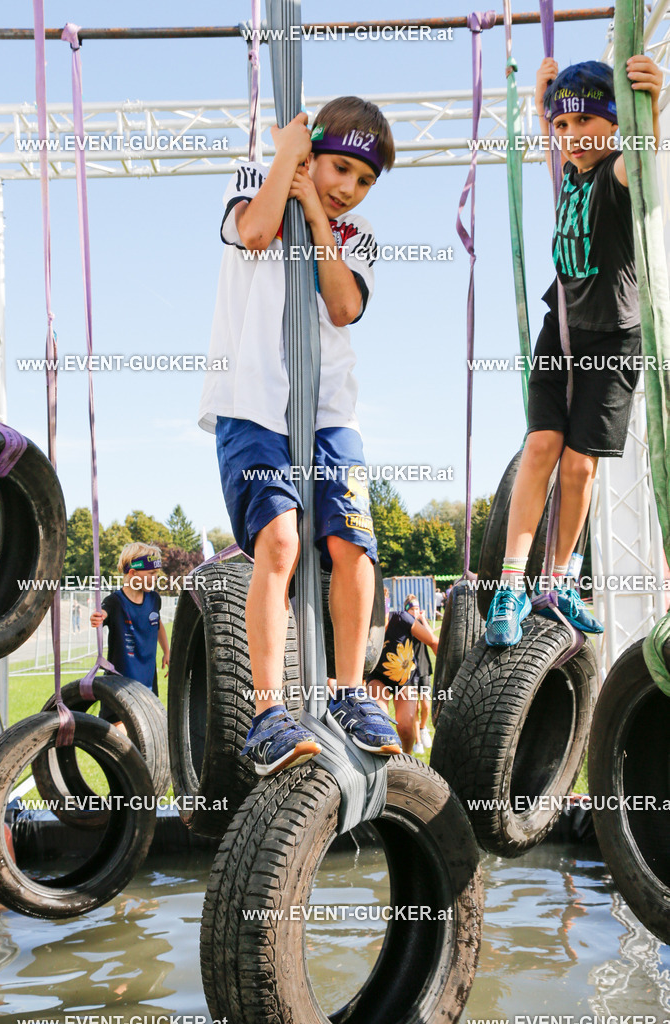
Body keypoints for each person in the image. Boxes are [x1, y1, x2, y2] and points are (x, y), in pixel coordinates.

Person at [198, 97, 402, 775]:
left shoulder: (357, 231)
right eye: (338, 167)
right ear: (311, 152)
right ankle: (266, 714)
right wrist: (286, 159)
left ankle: (348, 692)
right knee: (279, 541)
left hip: (329, 413)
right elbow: (255, 235)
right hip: (250, 404)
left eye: (363, 179)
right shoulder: (250, 183)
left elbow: (343, 307)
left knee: (352, 542)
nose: (348, 187)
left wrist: (316, 213)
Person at [485, 54, 663, 647]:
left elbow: (644, 163)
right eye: (562, 128)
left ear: (614, 123)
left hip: (613, 336)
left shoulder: (614, 173)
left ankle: (560, 581)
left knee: (580, 464)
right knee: (541, 446)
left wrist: (650, 110)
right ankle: (513, 582)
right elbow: (555, 133)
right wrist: (544, 104)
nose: (572, 138)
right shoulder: (571, 172)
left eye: (585, 123)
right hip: (560, 328)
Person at [90, 543, 170, 723]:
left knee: (148, 731)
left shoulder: (154, 599)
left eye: (156, 574)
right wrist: (98, 617)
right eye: (151, 574)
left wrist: (167, 651)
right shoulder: (115, 602)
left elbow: (157, 624)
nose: (155, 578)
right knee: (121, 734)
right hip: (119, 686)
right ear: (133, 574)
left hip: (147, 683)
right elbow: (103, 613)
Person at [368, 588, 439, 755]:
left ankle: (407, 757)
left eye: (382, 618)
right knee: (381, 722)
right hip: (378, 678)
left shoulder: (402, 619)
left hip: (405, 680)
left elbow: (433, 642)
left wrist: (449, 671)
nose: (379, 623)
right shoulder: (363, 626)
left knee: (406, 728)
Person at [405, 596, 434, 753]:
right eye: (412, 609)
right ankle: (418, 741)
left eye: (417, 609)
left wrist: (422, 619)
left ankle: (423, 728)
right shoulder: (404, 625)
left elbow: (431, 638)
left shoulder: (422, 623)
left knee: (426, 705)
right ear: (406, 610)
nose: (415, 611)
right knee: (414, 707)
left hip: (423, 668)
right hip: (409, 671)